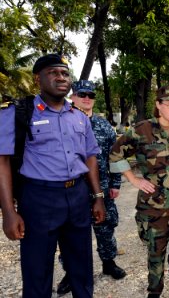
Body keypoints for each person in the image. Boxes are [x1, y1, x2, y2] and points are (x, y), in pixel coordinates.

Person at [0, 54, 105, 298]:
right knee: (37, 270)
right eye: (53, 73)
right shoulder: (17, 113)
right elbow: (2, 162)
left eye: (65, 73)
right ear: (38, 79)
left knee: (81, 267)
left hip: (77, 196)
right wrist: (8, 212)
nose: (61, 78)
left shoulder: (79, 116)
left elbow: (90, 157)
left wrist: (97, 196)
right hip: (39, 199)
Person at [109, 85, 169, 298]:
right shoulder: (141, 131)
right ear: (158, 105)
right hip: (154, 207)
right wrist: (133, 179)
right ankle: (154, 291)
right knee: (156, 252)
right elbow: (114, 155)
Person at [56, 80, 126, 295]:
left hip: (102, 188)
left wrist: (115, 184)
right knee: (70, 234)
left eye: (91, 95)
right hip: (72, 190)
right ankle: (70, 272)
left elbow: (114, 156)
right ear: (73, 96)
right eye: (82, 93)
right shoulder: (62, 122)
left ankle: (108, 262)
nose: (87, 98)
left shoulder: (104, 125)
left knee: (106, 228)